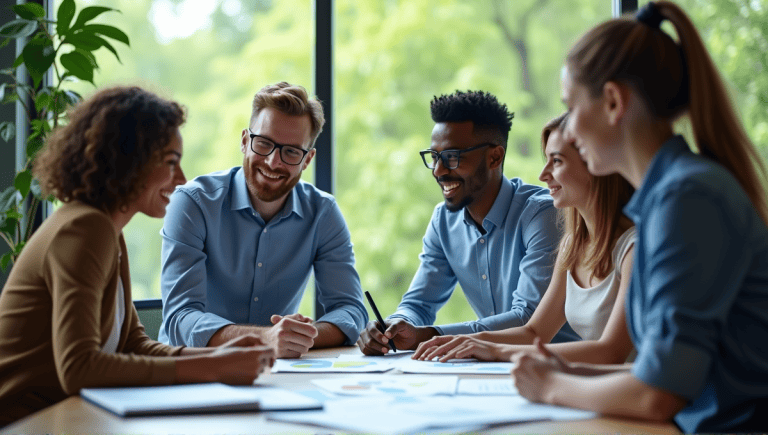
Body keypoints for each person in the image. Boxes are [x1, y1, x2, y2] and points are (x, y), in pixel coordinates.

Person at [509, 2, 768, 432]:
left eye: (571, 108)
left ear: (613, 102)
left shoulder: (688, 199)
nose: (568, 131)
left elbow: (658, 394)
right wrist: (560, 373)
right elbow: (655, 373)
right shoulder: (668, 198)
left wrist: (551, 386)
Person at [0, 86, 274, 426]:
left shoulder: (106, 230)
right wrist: (213, 366)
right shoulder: (84, 229)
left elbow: (132, 343)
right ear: (130, 160)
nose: (182, 179)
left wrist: (218, 354)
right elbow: (79, 368)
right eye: (171, 162)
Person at [357, 90, 578, 356]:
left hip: (560, 367)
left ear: (494, 157)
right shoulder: (444, 220)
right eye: (434, 156)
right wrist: (393, 326)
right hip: (491, 371)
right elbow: (418, 304)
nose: (438, 170)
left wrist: (432, 335)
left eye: (452, 157)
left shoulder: (543, 214)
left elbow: (527, 320)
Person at [159, 82, 368, 358]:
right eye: (264, 143)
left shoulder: (323, 212)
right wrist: (265, 338)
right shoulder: (193, 204)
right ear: (245, 141)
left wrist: (295, 338)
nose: (273, 162)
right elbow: (180, 318)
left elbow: (351, 310)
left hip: (281, 371)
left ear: (307, 160)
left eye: (291, 152)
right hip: (193, 368)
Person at [412, 113, 636, 364]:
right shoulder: (572, 246)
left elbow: (611, 352)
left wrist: (496, 350)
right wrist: (469, 341)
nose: (543, 174)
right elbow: (534, 331)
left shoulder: (633, 250)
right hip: (591, 387)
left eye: (557, 161)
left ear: (596, 164)